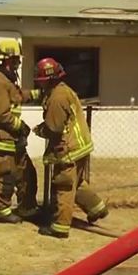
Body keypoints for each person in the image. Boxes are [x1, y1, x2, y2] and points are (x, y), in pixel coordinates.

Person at [31, 57, 107, 239]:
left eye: (40, 80)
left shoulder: (56, 97)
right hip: (80, 147)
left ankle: (60, 226)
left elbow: (54, 127)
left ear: (46, 79)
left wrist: (39, 130)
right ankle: (97, 208)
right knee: (77, 182)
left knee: (63, 186)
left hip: (68, 149)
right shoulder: (63, 90)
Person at [0, 38, 39, 223]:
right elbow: (1, 114)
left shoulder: (7, 79)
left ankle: (27, 208)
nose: (19, 62)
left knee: (27, 173)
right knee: (5, 176)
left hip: (12, 139)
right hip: (1, 140)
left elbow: (16, 96)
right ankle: (1, 211)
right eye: (16, 58)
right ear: (8, 59)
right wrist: (20, 127)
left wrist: (37, 93)